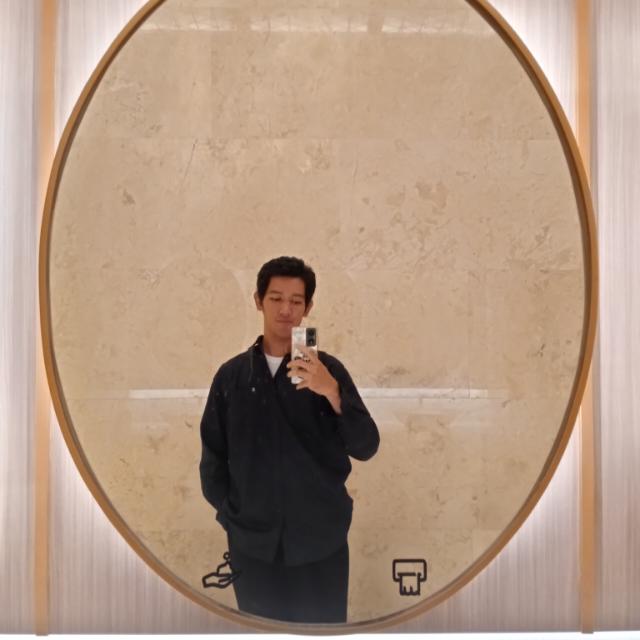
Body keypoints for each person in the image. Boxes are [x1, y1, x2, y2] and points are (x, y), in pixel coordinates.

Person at [199, 256, 380, 624]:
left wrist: (331, 391)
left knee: (323, 632)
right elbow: (213, 458)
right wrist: (233, 518)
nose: (286, 310)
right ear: (258, 300)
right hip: (252, 546)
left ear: (308, 307)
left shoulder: (329, 371)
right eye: (276, 298)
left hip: (321, 542)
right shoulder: (232, 377)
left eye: (296, 301)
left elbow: (366, 446)